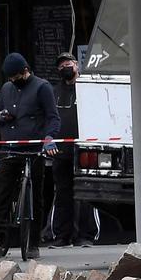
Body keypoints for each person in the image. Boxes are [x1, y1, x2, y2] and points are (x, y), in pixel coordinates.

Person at [0, 53, 60, 258]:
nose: (13, 81)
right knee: (2, 192)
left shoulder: (42, 87)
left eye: (16, 76)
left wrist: (49, 137)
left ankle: (33, 242)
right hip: (11, 147)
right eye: (10, 78)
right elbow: (1, 115)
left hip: (34, 150)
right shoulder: (6, 88)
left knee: (36, 194)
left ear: (25, 71)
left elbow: (53, 117)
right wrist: (3, 117)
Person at [51, 51, 93, 247]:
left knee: (85, 193)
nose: (64, 67)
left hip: (84, 149)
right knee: (62, 194)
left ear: (76, 65)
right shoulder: (54, 91)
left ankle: (85, 236)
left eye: (68, 63)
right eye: (61, 65)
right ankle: (61, 236)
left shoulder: (87, 88)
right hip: (60, 151)